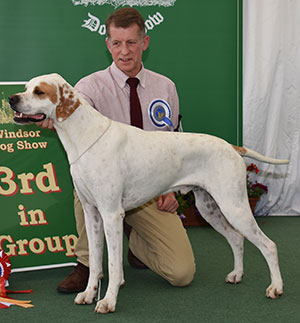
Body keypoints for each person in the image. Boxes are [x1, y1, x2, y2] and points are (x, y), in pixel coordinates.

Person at [40, 7, 195, 293]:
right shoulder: (88, 87)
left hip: (150, 189)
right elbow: (68, 117)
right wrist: (51, 117)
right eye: (117, 43)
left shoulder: (166, 87)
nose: (124, 51)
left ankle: (137, 240)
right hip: (104, 186)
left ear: (144, 43)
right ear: (108, 44)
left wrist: (169, 188)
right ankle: (89, 265)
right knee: (85, 180)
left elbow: (175, 142)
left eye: (131, 43)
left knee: (182, 272)